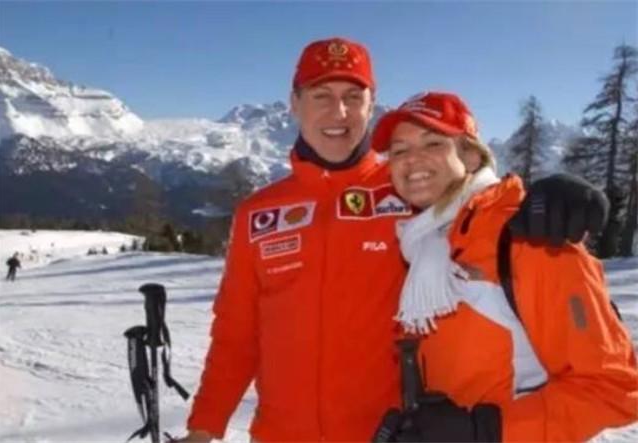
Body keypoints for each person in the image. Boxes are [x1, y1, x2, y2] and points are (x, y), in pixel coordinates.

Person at [178, 38, 611, 442]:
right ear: (294, 103)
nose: (339, 113)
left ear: (371, 104)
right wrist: (203, 426)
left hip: (387, 432)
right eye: (321, 96)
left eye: (354, 97)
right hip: (279, 433)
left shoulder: (409, 189)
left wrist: (553, 194)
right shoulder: (258, 212)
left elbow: (477, 200)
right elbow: (236, 332)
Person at [371, 91, 638, 441]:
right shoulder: (420, 246)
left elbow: (612, 388)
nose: (412, 160)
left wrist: (484, 431)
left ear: (470, 156)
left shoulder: (529, 240)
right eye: (399, 150)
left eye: (433, 143)